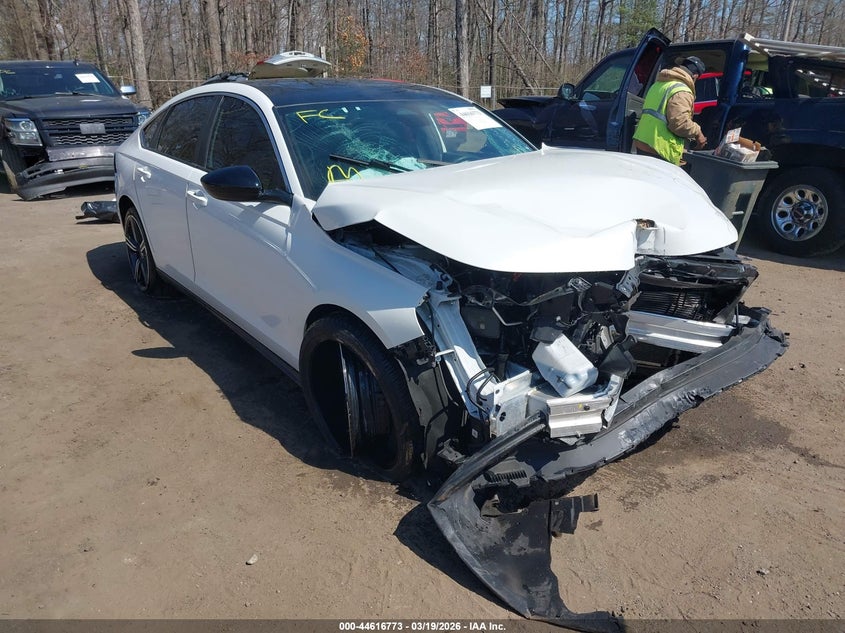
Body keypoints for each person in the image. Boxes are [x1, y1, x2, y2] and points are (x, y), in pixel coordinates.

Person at [633, 56, 708, 165]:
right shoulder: (682, 91)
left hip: (643, 142)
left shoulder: (658, 85)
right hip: (659, 148)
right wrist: (698, 133)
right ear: (695, 76)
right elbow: (679, 123)